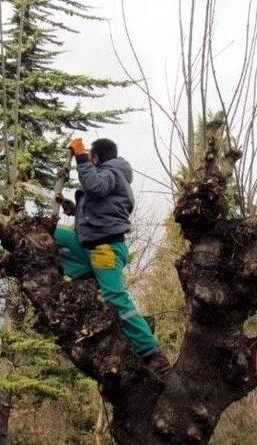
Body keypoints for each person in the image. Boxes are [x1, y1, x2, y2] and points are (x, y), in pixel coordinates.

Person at [54, 137, 171, 379]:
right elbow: (101, 212)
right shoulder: (113, 175)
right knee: (53, 235)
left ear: (95, 158)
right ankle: (86, 278)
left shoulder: (110, 173)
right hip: (94, 246)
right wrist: (74, 210)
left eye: (91, 158)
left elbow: (95, 186)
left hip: (105, 249)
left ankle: (153, 353)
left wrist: (80, 156)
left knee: (116, 298)